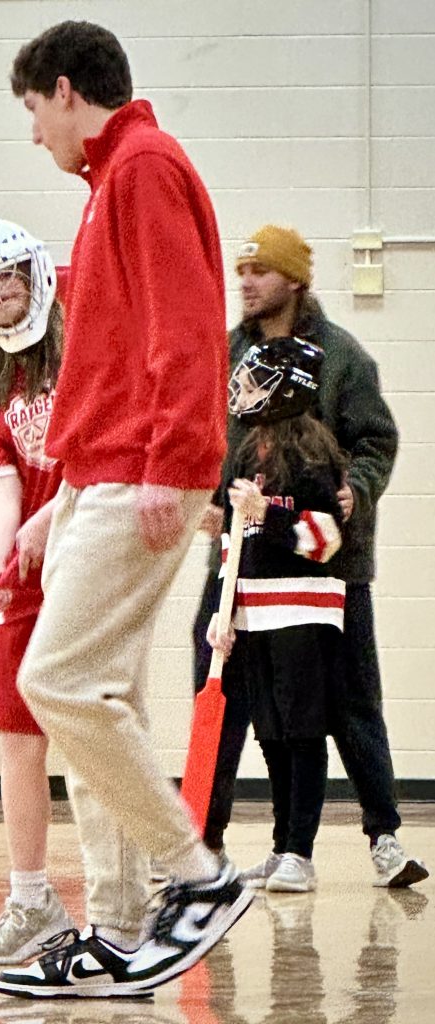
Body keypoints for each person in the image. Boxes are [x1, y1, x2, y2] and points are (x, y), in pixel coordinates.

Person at [0, 21, 253, 1001]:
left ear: (65, 89)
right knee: (98, 697)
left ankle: (197, 877)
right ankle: (117, 926)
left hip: (141, 470)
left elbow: (186, 325)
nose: (32, 135)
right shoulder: (111, 182)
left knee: (54, 678)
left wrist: (169, 460)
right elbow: (108, 364)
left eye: (30, 110)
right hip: (97, 474)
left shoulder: (141, 167)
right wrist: (48, 509)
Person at [192, 224, 428, 888]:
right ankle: (203, 844)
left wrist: (357, 487)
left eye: (259, 271)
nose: (244, 282)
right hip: (243, 567)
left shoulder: (341, 358)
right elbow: (213, 444)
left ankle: (382, 836)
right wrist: (208, 506)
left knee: (348, 702)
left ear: (293, 279)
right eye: (239, 270)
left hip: (328, 568)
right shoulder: (228, 353)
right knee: (227, 697)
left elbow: (375, 439)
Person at [0, 217, 75, 964]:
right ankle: (31, 900)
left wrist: (47, 523)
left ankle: (137, 890)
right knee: (16, 739)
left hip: (91, 548)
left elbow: (101, 458)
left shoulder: (85, 347)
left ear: (33, 274)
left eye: (7, 276)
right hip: (27, 570)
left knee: (95, 730)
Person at [210, 336, 348, 893]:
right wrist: (225, 613)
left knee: (302, 732)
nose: (242, 390)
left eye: (254, 380)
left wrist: (264, 514)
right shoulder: (244, 453)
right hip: (254, 616)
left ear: (286, 390)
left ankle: (302, 852)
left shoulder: (316, 458)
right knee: (268, 733)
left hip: (303, 613)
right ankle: (280, 846)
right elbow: (232, 539)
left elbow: (325, 540)